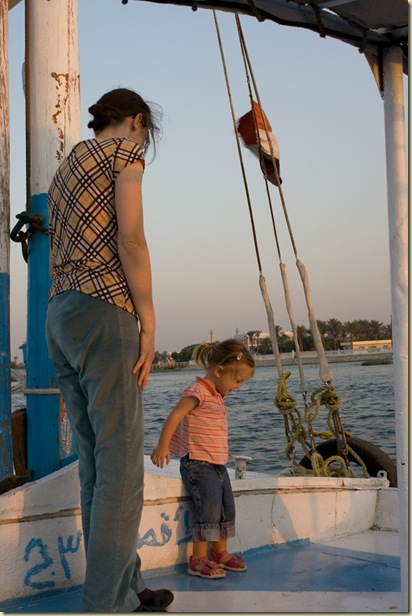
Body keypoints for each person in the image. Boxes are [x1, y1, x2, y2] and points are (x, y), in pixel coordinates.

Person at [45, 88, 173, 613]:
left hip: (60, 317)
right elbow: (132, 239)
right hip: (105, 311)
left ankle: (128, 586)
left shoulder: (66, 166)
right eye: (146, 131)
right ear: (136, 122)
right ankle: (104, 606)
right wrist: (148, 320)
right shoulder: (125, 154)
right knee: (122, 468)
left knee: (95, 465)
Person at [150, 339, 255, 579]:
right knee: (208, 510)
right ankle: (198, 559)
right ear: (218, 371)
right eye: (237, 380)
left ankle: (220, 552)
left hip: (217, 464)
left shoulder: (216, 394)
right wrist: (162, 445)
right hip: (198, 464)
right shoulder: (197, 392)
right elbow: (176, 415)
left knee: (225, 508)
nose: (238, 387)